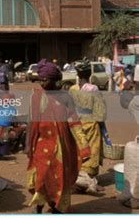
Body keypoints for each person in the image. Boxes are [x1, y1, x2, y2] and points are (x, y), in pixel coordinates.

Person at [27, 59, 90, 214]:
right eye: (40, 80)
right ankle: (39, 206)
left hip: (61, 146)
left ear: (55, 80)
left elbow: (74, 122)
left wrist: (84, 147)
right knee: (41, 177)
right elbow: (31, 122)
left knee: (59, 176)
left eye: (45, 80)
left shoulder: (65, 98)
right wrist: (28, 144)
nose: (42, 83)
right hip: (41, 145)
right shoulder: (35, 97)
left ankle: (57, 207)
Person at [69, 58, 107, 193]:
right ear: (89, 74)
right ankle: (88, 181)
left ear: (78, 75)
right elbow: (100, 110)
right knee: (92, 150)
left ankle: (77, 179)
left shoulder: (72, 89)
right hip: (90, 122)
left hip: (76, 123)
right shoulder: (93, 88)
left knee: (79, 149)